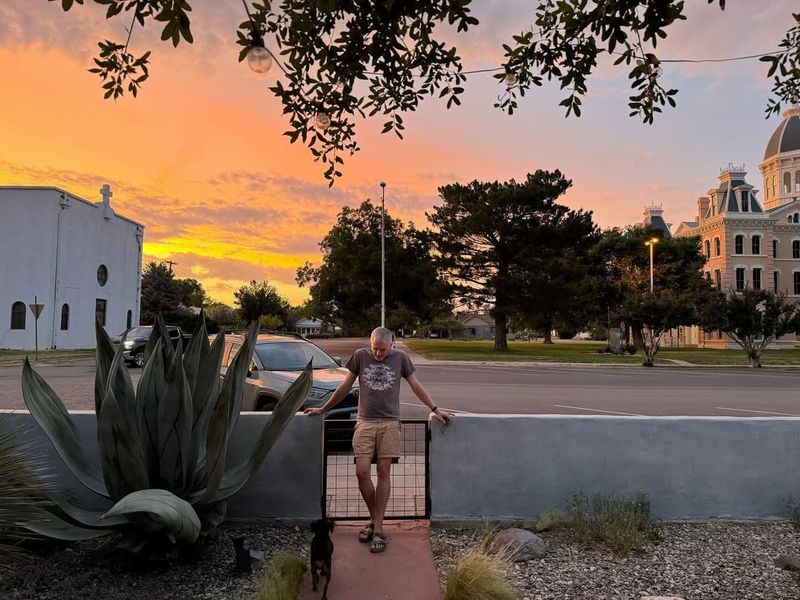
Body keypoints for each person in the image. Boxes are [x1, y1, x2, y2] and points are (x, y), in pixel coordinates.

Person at [304, 326, 451, 553]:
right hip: (365, 421)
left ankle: (378, 527)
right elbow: (345, 386)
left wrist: (435, 408)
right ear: (370, 343)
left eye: (382, 350)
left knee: (383, 471)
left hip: (390, 423)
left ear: (392, 344)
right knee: (361, 471)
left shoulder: (401, 358)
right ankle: (374, 518)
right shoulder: (360, 356)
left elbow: (415, 385)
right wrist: (323, 409)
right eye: (375, 349)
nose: (378, 354)